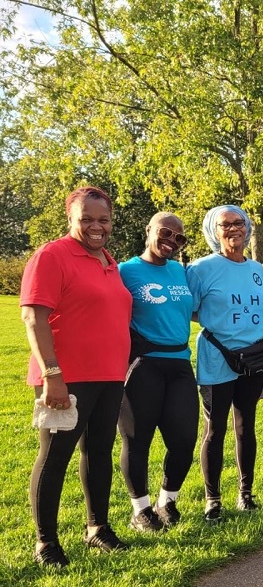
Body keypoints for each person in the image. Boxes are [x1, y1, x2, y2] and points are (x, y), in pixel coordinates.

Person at [21, 186, 133, 567]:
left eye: (103, 219)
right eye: (86, 219)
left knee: (99, 453)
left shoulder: (109, 261)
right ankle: (45, 542)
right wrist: (53, 375)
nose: (96, 226)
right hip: (65, 379)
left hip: (109, 376)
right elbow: (33, 317)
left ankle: (97, 528)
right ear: (70, 218)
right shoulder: (52, 256)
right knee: (54, 457)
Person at [187, 205, 263, 523]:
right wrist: (218, 324)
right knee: (214, 428)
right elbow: (189, 309)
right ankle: (213, 499)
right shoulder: (200, 269)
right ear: (213, 230)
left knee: (245, 426)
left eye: (239, 223)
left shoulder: (257, 270)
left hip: (253, 358)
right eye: (225, 225)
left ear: (248, 229)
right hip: (217, 358)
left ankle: (245, 494)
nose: (234, 229)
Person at [118, 213, 197, 532]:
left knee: (183, 440)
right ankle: (141, 509)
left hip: (180, 364)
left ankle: (167, 502)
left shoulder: (181, 271)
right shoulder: (125, 271)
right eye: (166, 232)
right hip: (143, 365)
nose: (172, 241)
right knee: (138, 441)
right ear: (148, 230)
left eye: (180, 238)